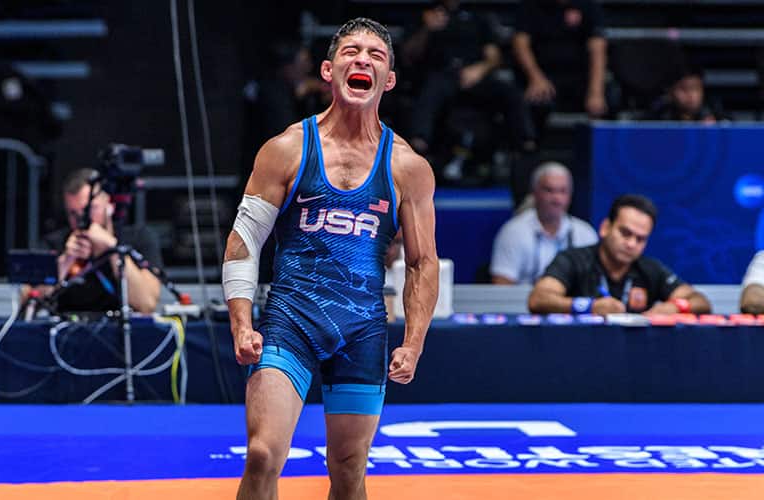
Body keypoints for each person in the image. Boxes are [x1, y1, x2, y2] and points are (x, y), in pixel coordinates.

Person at [222, 18, 438, 500]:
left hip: (362, 328)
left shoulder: (407, 166)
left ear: (390, 80)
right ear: (327, 69)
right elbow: (243, 241)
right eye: (351, 52)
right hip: (290, 322)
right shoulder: (286, 150)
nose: (362, 59)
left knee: (348, 469)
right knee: (262, 455)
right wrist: (241, 322)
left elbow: (424, 263)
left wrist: (415, 340)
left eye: (376, 55)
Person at [528, 194, 711, 315]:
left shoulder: (649, 269)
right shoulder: (573, 260)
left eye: (640, 239)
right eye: (625, 233)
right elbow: (538, 299)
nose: (631, 244)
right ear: (605, 228)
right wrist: (590, 307)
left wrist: (674, 307)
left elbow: (701, 302)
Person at [402, 1, 536, 160]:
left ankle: (526, 145)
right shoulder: (424, 15)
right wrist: (426, 30)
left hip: (475, 75)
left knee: (510, 91)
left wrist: (480, 69)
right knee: (431, 88)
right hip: (439, 76)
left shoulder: (478, 16)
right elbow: (408, 56)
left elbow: (494, 57)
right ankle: (419, 144)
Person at [40, 168, 162, 313]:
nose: (81, 222)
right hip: (68, 329)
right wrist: (65, 261)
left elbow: (146, 303)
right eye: (73, 213)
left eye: (89, 210)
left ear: (110, 204)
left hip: (123, 330)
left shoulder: (139, 238)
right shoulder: (55, 243)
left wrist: (112, 248)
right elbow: (29, 303)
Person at [512, 0, 608, 140]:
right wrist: (536, 78)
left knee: (610, 98)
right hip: (544, 77)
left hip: (579, 78)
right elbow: (520, 44)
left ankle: (604, 150)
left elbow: (598, 50)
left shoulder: (588, 6)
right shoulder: (530, 6)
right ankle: (531, 152)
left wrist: (596, 92)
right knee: (533, 101)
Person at [490, 162, 597, 284]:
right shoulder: (513, 232)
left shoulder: (585, 233)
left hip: (569, 302)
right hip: (523, 302)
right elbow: (501, 288)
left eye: (563, 191)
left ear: (570, 196)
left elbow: (593, 284)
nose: (557, 199)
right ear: (534, 193)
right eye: (549, 190)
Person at [646, 66, 725, 123]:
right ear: (670, 91)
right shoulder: (658, 120)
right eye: (683, 89)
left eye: (695, 88)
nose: (690, 95)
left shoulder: (716, 116)